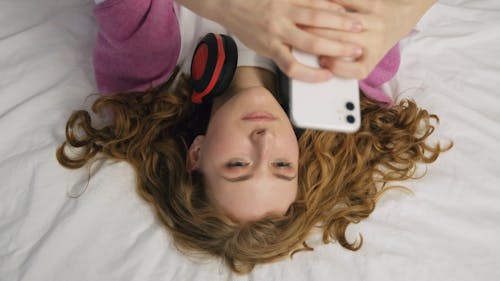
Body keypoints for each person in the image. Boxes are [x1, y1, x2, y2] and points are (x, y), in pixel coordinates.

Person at [57, 0, 448, 274]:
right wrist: (397, 14)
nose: (263, 141)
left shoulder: (148, 69)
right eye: (281, 165)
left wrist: (229, 6)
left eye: (238, 164)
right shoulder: (345, 81)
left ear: (196, 154)